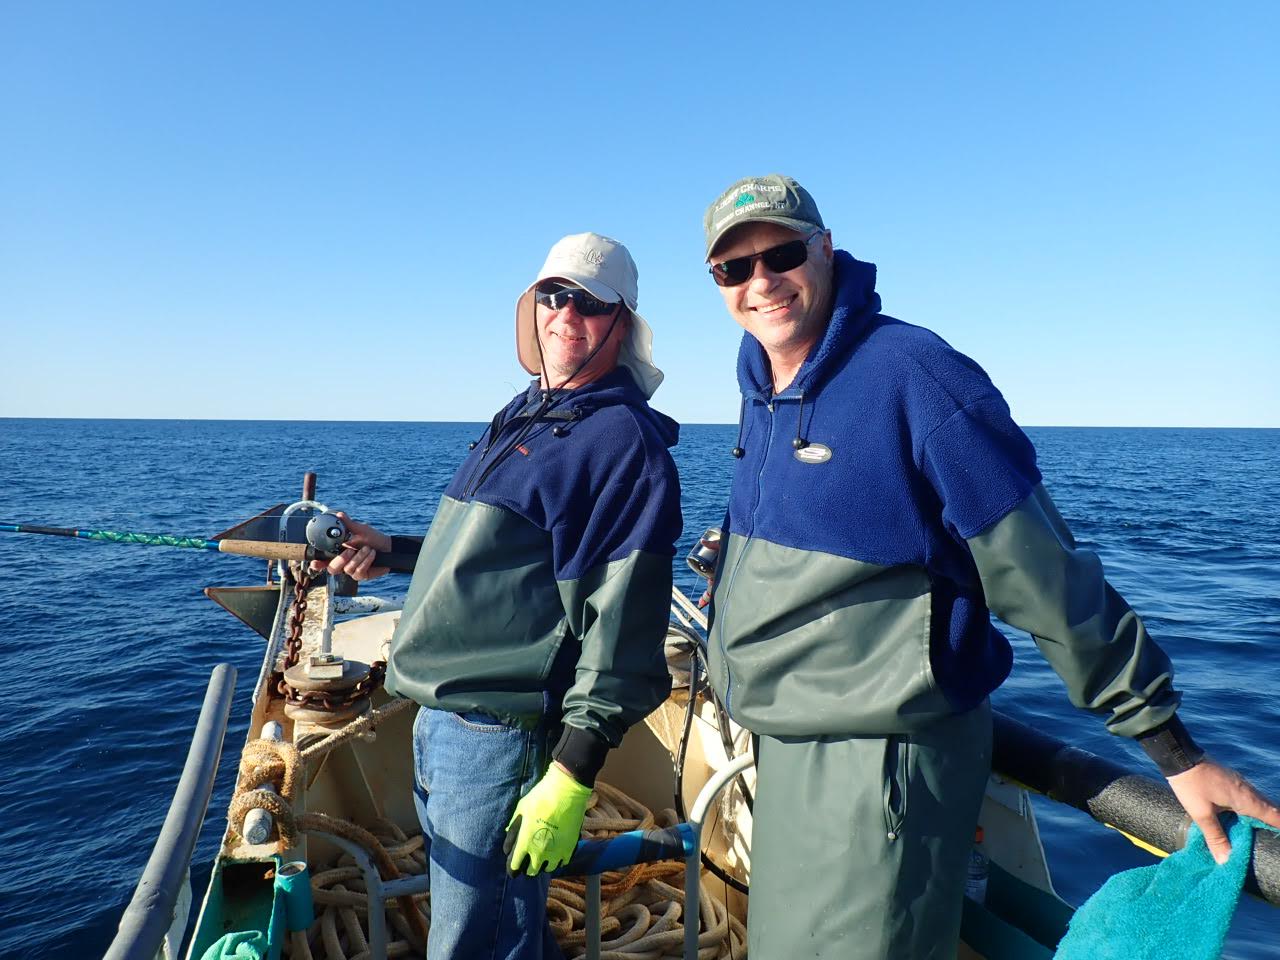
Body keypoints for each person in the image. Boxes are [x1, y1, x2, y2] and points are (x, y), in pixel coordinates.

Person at [697, 174, 1280, 959]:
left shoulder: (916, 374)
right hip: (788, 743)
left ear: (826, 249)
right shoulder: (762, 390)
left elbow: (1042, 573)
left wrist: (1169, 746)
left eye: (783, 255)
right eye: (734, 268)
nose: (761, 282)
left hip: (882, 765)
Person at [316, 232, 682, 960]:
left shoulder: (621, 444)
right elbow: (499, 556)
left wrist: (572, 771)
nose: (566, 315)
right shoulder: (526, 411)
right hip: (438, 720)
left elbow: (625, 630)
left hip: (497, 740)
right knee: (506, 927)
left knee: (469, 942)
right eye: (553, 295)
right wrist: (392, 552)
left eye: (590, 303)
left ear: (621, 325)